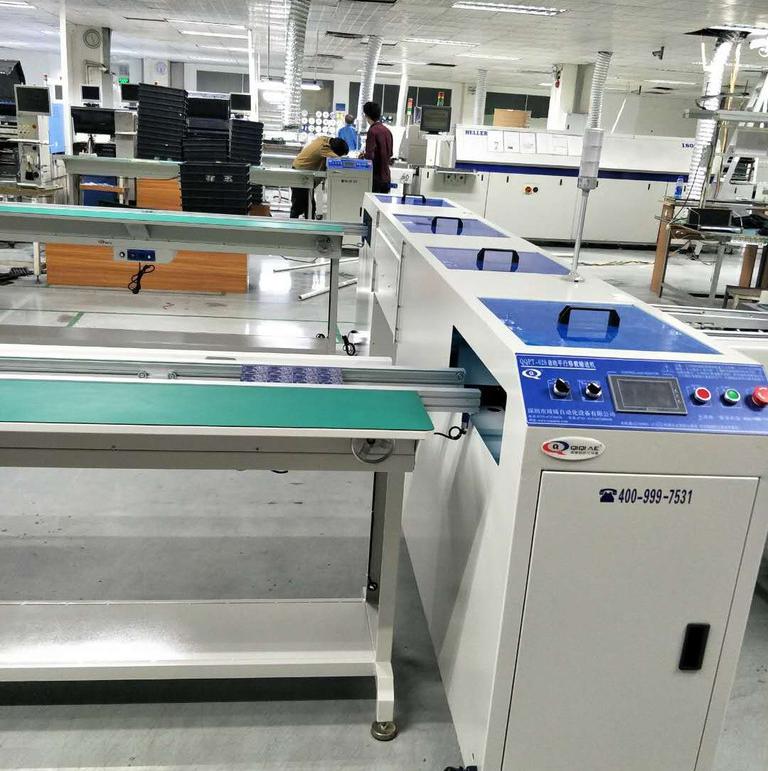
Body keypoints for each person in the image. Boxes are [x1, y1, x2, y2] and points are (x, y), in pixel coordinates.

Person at [290, 135, 349, 219]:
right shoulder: (324, 148)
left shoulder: (324, 140)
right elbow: (338, 159)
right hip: (300, 174)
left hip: (302, 172)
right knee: (299, 205)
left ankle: (307, 223)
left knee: (308, 205)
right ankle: (295, 223)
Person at [360, 101, 393, 195]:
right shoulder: (387, 131)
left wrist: (363, 156)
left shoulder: (372, 131)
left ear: (366, 115)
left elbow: (369, 157)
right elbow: (390, 153)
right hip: (386, 177)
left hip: (375, 178)